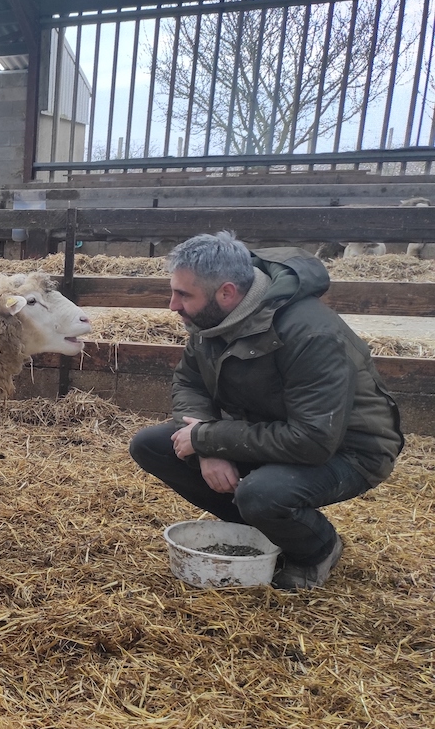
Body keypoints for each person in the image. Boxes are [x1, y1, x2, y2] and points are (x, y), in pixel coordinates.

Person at [129, 231, 404, 590]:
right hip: (265, 432)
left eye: (183, 294)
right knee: (151, 444)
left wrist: (206, 438)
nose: (172, 305)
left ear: (226, 292)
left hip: (348, 450)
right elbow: (189, 383)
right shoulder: (211, 321)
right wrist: (207, 447)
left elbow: (313, 440)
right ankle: (264, 532)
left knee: (262, 494)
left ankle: (317, 549)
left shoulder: (310, 333)